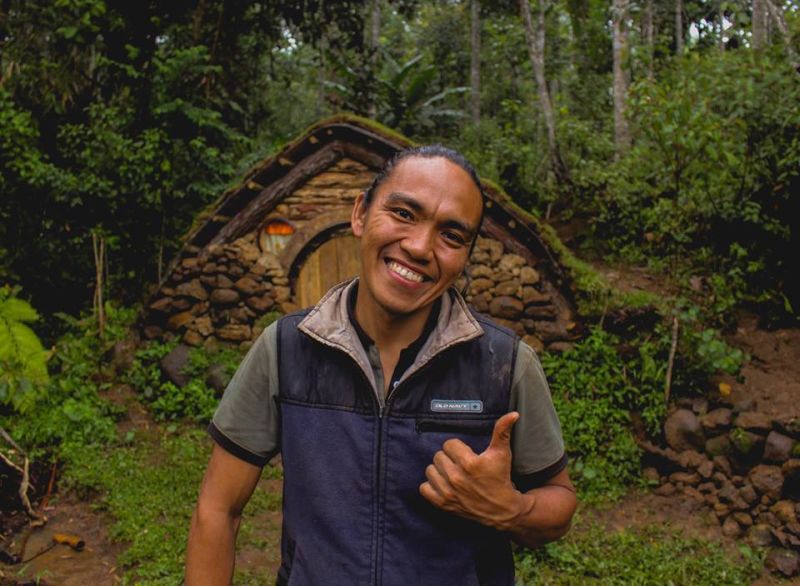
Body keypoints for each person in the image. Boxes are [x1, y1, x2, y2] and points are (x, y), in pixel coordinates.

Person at [185, 145, 577, 585]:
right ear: (360, 214)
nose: (419, 246)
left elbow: (558, 500)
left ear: (465, 256)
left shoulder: (504, 364)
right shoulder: (285, 349)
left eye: (451, 235)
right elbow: (217, 511)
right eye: (404, 213)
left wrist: (512, 509)